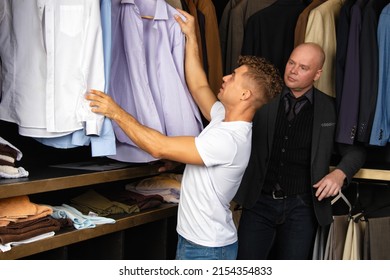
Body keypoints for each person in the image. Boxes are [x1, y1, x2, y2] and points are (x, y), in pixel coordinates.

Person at [85, 9, 283, 260]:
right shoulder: (226, 119)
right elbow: (199, 85)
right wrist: (192, 38)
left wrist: (115, 112)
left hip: (206, 250)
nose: (224, 77)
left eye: (233, 77)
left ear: (245, 95)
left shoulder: (228, 140)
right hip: (202, 242)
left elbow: (158, 146)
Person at [234, 42, 367, 260]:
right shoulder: (264, 98)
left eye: (303, 67)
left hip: (302, 208)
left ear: (317, 74)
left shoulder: (330, 109)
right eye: (291, 63)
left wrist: (339, 173)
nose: (293, 71)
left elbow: (356, 152)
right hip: (259, 202)